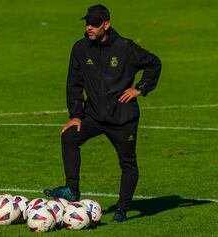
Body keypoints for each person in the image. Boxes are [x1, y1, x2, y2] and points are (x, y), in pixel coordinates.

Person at [43, 4, 162, 222]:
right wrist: (75, 115)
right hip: (94, 115)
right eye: (87, 23)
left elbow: (154, 63)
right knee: (69, 135)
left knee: (127, 162)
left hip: (122, 117)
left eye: (95, 24)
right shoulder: (80, 49)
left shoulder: (125, 48)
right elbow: (74, 84)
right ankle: (72, 189)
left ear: (106, 24)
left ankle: (122, 210)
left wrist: (140, 88)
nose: (89, 27)